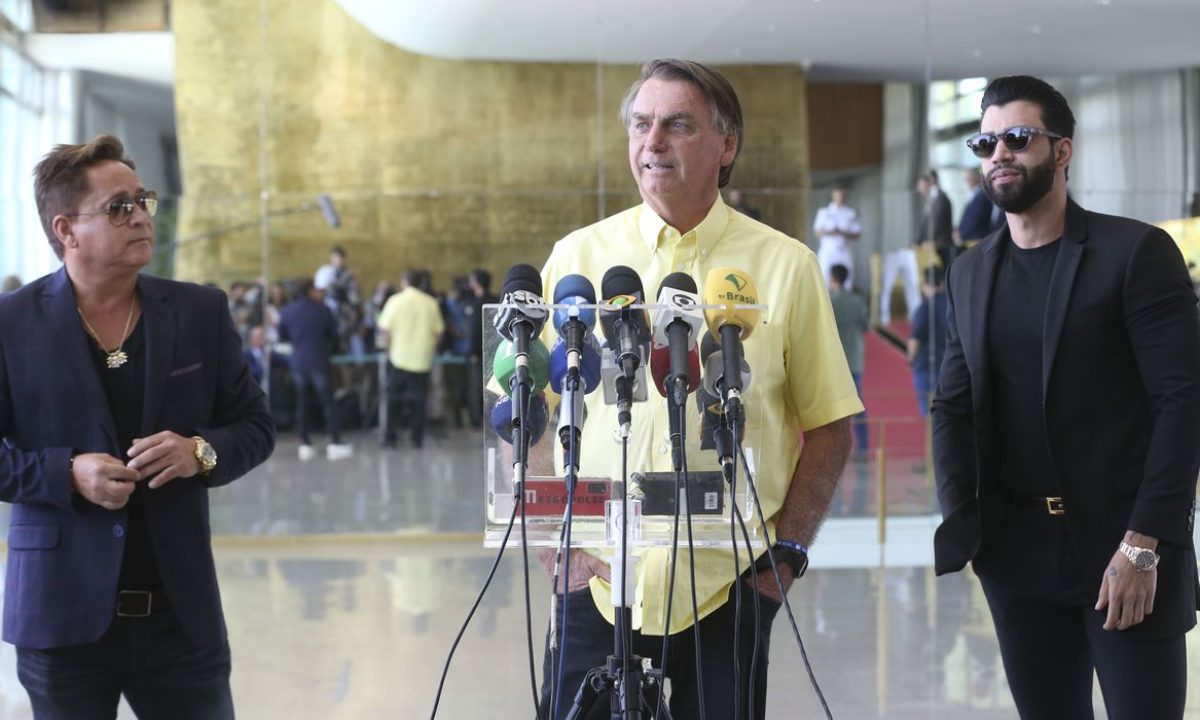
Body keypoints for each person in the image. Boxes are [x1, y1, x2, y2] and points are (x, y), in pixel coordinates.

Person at [538, 59, 862, 719]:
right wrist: (554, 540)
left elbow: (829, 428)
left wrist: (785, 559)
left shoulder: (787, 267)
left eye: (677, 125)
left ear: (727, 145)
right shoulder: (576, 260)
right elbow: (529, 415)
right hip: (596, 581)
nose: (652, 142)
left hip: (727, 586)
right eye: (640, 124)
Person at [932, 75, 1200, 718]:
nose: (1000, 153)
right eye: (987, 141)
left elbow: (1182, 403)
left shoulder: (1134, 253)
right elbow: (952, 405)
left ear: (1063, 150)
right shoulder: (969, 271)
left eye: (1018, 138)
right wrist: (969, 525)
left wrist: (1143, 546)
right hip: (1016, 555)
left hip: (1125, 553)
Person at [0, 134, 275, 717]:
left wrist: (200, 450)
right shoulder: (11, 325)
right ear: (66, 230)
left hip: (179, 615)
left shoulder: (199, 311)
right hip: (59, 615)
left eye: (141, 200)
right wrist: (66, 473)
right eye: (118, 207)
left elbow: (255, 424)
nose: (140, 218)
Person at [278, 278, 353, 461]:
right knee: (328, 401)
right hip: (319, 361)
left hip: (298, 362)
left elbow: (283, 335)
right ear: (310, 290)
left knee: (301, 402)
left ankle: (305, 442)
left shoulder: (287, 311)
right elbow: (334, 338)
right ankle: (334, 440)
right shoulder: (323, 310)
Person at [377, 269, 444, 448]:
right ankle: (417, 438)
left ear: (404, 282)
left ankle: (391, 438)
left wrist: (388, 344)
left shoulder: (395, 301)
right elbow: (439, 332)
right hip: (422, 360)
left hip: (398, 358)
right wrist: (430, 349)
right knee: (419, 401)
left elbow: (384, 328)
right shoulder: (431, 303)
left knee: (393, 399)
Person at [828, 263, 869, 459]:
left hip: (835, 360)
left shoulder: (829, 301)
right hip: (854, 358)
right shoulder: (858, 301)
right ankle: (863, 448)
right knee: (858, 404)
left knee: (834, 407)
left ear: (833, 278)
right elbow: (865, 326)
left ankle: (836, 449)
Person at [907, 266, 947, 419]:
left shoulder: (924, 308)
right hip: (948, 366)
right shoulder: (952, 305)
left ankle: (932, 443)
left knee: (929, 415)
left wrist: (911, 359)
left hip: (926, 366)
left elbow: (915, 339)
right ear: (942, 284)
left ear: (925, 285)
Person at [813, 187, 863, 287]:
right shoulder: (824, 212)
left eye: (842, 194)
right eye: (838, 194)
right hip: (828, 250)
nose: (840, 197)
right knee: (824, 277)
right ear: (833, 195)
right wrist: (831, 232)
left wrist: (843, 233)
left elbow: (857, 234)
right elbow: (817, 232)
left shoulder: (850, 213)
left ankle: (845, 298)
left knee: (848, 277)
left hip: (844, 250)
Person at [916, 170, 954, 270]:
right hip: (932, 246)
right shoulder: (930, 199)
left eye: (921, 185)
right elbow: (925, 225)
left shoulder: (941, 199)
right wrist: (918, 242)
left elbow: (937, 224)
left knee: (942, 275)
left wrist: (927, 241)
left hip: (941, 246)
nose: (919, 188)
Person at [956, 168, 1004, 247]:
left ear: (975, 177)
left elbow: (975, 218)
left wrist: (963, 233)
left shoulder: (982, 195)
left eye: (969, 177)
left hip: (977, 239)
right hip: (969, 240)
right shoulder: (974, 195)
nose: (966, 180)